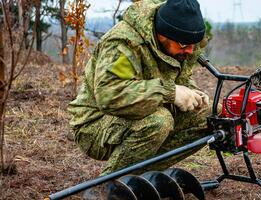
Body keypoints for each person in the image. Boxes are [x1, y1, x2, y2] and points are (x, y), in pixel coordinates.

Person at [68, 0, 211, 176]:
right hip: (96, 123)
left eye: (193, 45)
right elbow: (110, 95)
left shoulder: (182, 43)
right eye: (184, 45)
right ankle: (108, 187)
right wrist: (169, 92)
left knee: (210, 115)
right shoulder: (124, 44)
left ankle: (143, 176)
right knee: (159, 121)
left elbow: (180, 77)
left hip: (146, 111)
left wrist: (190, 93)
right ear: (162, 34)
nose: (190, 51)